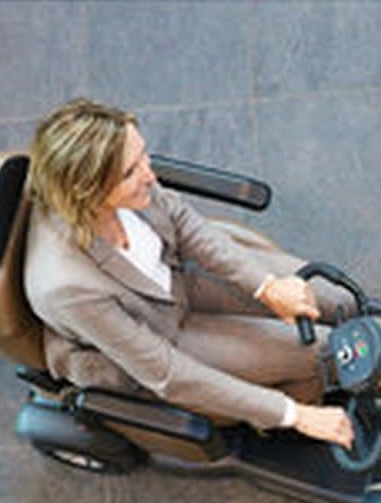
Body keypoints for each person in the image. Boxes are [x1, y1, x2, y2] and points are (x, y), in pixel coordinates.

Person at [23, 98, 354, 449]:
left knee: (334, 299)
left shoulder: (129, 180)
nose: (150, 175)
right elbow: (167, 373)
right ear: (87, 191)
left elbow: (182, 222)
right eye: (130, 173)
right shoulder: (67, 287)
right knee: (326, 351)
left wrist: (266, 287)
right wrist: (295, 415)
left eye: (143, 155)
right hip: (161, 336)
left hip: (176, 278)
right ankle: (286, 422)